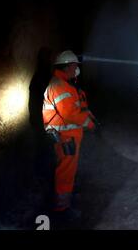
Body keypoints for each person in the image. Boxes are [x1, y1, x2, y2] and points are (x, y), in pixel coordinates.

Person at [42, 50, 96, 219]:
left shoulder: (64, 83)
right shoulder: (60, 86)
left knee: (68, 169)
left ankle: (67, 195)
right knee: (65, 170)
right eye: (74, 66)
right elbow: (70, 114)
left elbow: (77, 107)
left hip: (69, 135)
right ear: (67, 66)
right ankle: (62, 209)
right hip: (65, 136)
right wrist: (89, 123)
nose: (76, 69)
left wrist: (89, 115)